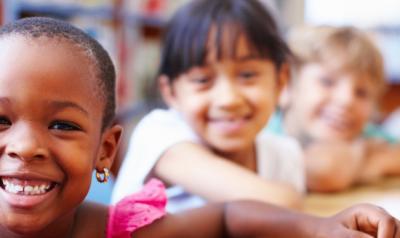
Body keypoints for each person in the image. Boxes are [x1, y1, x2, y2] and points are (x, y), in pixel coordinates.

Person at [2, 16, 400, 238]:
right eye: (1, 120)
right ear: (170, 90)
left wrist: (320, 229)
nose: (25, 146)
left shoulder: (119, 232)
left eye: (61, 124)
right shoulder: (163, 134)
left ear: (104, 151)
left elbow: (227, 216)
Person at [113, 0, 305, 212]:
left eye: (247, 75)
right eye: (202, 80)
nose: (228, 100)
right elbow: (276, 205)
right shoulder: (159, 134)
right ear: (170, 92)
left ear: (280, 80)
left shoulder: (283, 154)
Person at [267, 25, 400, 192]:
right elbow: (321, 172)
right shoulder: (262, 136)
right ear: (286, 86)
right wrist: (367, 157)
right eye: (327, 82)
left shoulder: (367, 133)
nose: (346, 100)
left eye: (361, 93)